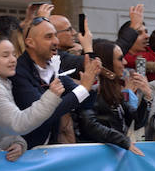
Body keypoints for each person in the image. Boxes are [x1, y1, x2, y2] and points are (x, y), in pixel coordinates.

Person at [10, 17, 101, 148]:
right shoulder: (19, 72)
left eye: (55, 36)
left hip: (47, 152)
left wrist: (91, 81)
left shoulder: (53, 68)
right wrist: (84, 88)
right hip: (22, 153)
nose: (56, 41)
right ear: (30, 43)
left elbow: (85, 103)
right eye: (48, 37)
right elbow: (44, 114)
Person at [0, 36, 63, 159]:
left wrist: (17, 143)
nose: (13, 60)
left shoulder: (3, 82)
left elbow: (2, 128)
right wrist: (52, 96)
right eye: (5, 56)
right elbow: (17, 123)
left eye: (14, 55)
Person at [77, 39, 151, 156]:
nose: (125, 62)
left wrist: (147, 97)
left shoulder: (114, 89)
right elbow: (89, 125)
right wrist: (123, 141)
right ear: (106, 62)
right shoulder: (90, 88)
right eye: (120, 59)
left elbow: (136, 121)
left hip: (114, 155)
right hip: (94, 157)